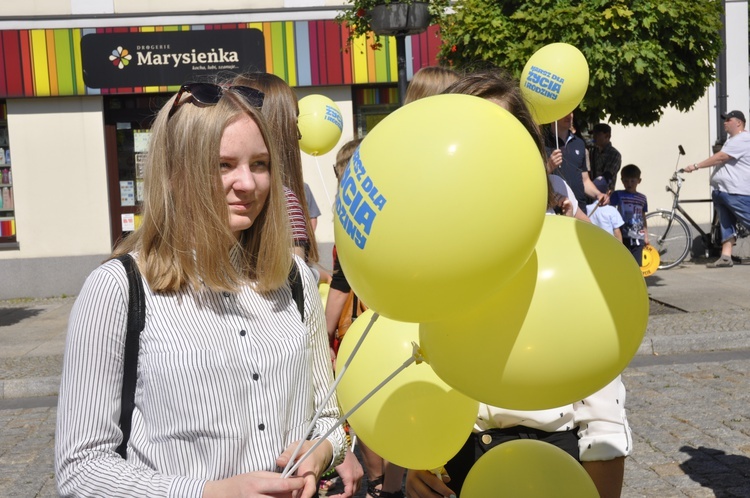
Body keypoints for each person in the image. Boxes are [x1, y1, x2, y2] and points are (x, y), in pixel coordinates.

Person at [55, 80, 347, 498]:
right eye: (222, 165)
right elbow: (81, 471)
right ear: (175, 174)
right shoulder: (120, 289)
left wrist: (321, 451)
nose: (247, 183)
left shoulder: (295, 279)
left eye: (260, 164)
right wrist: (209, 492)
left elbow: (328, 417)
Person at [404, 68, 632, 498]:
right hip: (455, 467)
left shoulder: (567, 253)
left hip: (550, 464)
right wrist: (419, 461)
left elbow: (603, 417)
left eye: (500, 142)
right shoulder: (433, 253)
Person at [325, 138, 405, 498]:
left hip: (374, 324)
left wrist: (322, 336)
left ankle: (382, 486)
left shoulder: (354, 215)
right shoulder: (391, 206)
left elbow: (341, 281)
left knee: (371, 403)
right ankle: (387, 485)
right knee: (391, 402)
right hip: (387, 321)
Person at [684, 109, 750, 268]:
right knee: (726, 224)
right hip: (722, 192)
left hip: (736, 192)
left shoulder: (743, 139)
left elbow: (721, 157)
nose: (725, 122)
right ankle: (726, 257)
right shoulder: (732, 140)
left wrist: (696, 166)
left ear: (738, 123)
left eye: (728, 120)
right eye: (724, 119)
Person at [546, 112, 607, 212]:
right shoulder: (541, 142)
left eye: (571, 111)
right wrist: (548, 166)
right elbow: (532, 179)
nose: (569, 115)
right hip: (554, 209)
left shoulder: (579, 143)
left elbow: (585, 180)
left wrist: (598, 194)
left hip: (579, 209)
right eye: (564, 111)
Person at [610, 164, 649, 265]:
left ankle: (635, 280)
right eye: (626, 181)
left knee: (636, 264)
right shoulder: (618, 195)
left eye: (633, 181)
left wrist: (646, 235)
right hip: (623, 235)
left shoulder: (642, 198)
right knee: (623, 262)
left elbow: (643, 216)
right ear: (622, 180)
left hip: (638, 236)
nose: (629, 184)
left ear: (639, 181)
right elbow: (610, 209)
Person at [587, 176, 625, 242]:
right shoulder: (612, 210)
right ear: (608, 192)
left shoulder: (587, 208)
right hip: (608, 244)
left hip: (592, 242)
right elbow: (617, 232)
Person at [589, 123, 622, 191]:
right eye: (593, 134)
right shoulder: (593, 152)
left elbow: (607, 176)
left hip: (606, 195)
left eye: (597, 134)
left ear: (607, 135)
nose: (594, 137)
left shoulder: (614, 154)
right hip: (591, 194)